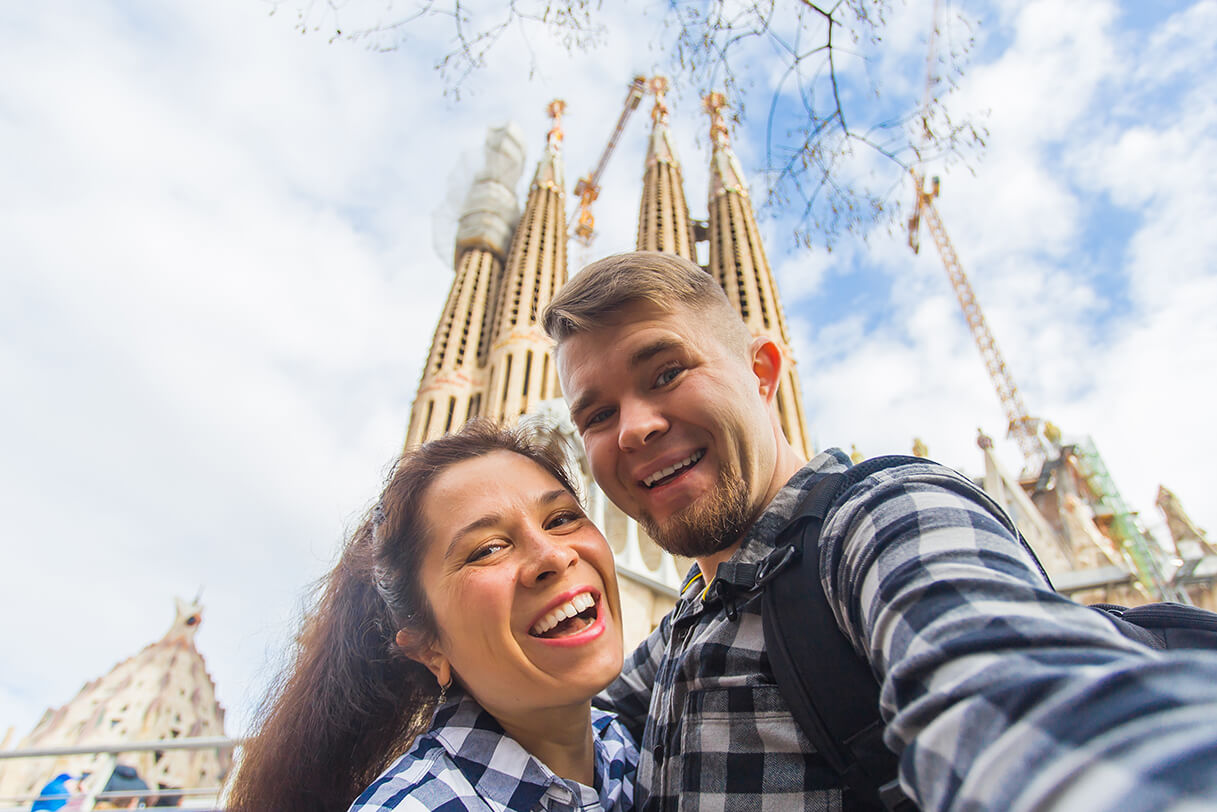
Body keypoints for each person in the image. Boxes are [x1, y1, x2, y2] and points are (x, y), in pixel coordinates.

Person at [544, 250, 1217, 812]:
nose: (633, 426)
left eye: (666, 372)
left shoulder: (881, 519)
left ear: (762, 372)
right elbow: (545, 735)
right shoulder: (681, 632)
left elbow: (1018, 701)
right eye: (597, 415)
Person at [226, 421, 637, 812]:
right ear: (428, 647)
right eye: (488, 549)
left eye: (562, 519)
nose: (553, 555)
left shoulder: (627, 749)